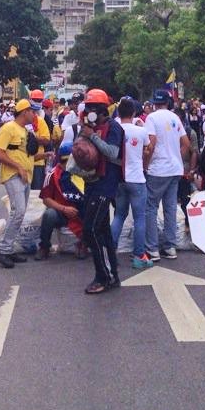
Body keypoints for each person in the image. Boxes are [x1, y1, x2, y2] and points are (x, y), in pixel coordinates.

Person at [75, 88, 124, 294]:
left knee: (91, 230)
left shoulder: (113, 128)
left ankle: (103, 276)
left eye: (94, 109)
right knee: (101, 231)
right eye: (88, 109)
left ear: (103, 110)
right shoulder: (87, 126)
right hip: (90, 182)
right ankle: (112, 274)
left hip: (105, 185)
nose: (91, 113)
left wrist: (92, 137)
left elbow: (113, 153)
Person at [0, 98, 40, 269]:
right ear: (24, 111)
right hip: (13, 175)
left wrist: (43, 156)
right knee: (18, 211)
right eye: (32, 111)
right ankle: (4, 249)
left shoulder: (24, 130)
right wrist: (18, 166)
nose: (34, 114)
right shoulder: (8, 128)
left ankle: (9, 247)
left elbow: (25, 154)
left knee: (19, 212)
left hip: (25, 176)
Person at [144, 88, 190, 262]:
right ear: (168, 103)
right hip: (174, 169)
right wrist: (176, 156)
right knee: (170, 208)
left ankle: (152, 248)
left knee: (151, 207)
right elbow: (186, 144)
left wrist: (146, 166)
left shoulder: (151, 118)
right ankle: (170, 247)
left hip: (157, 170)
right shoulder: (175, 117)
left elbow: (152, 144)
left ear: (154, 103)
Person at [109, 98, 153, 269]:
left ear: (118, 112)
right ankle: (139, 256)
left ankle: (111, 252)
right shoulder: (141, 131)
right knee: (139, 217)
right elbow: (148, 148)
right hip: (137, 179)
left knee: (119, 215)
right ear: (134, 113)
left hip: (119, 178)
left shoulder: (114, 128)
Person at [35, 141, 87, 261]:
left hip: (82, 211)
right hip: (61, 212)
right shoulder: (52, 175)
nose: (67, 164)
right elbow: (46, 199)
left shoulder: (84, 173)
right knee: (49, 214)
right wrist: (64, 209)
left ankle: (83, 243)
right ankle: (44, 247)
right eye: (64, 161)